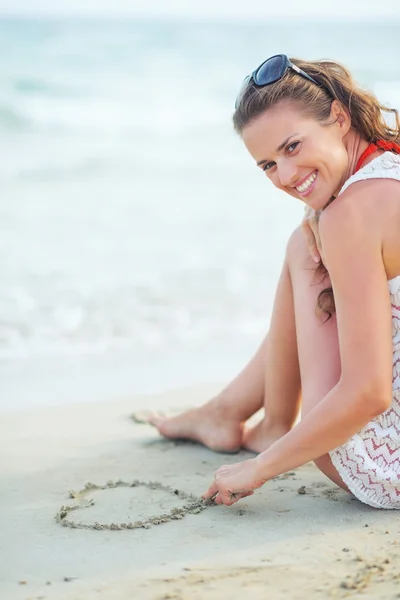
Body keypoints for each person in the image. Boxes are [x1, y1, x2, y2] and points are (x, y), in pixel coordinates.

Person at [147, 54, 400, 509]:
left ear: (338, 118)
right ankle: (252, 419)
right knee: (307, 239)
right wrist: (319, 212)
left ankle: (266, 428)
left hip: (387, 464)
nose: (284, 176)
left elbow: (370, 391)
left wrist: (258, 470)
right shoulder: (386, 171)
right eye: (266, 165)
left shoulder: (353, 214)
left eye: (292, 147)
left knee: (306, 251)